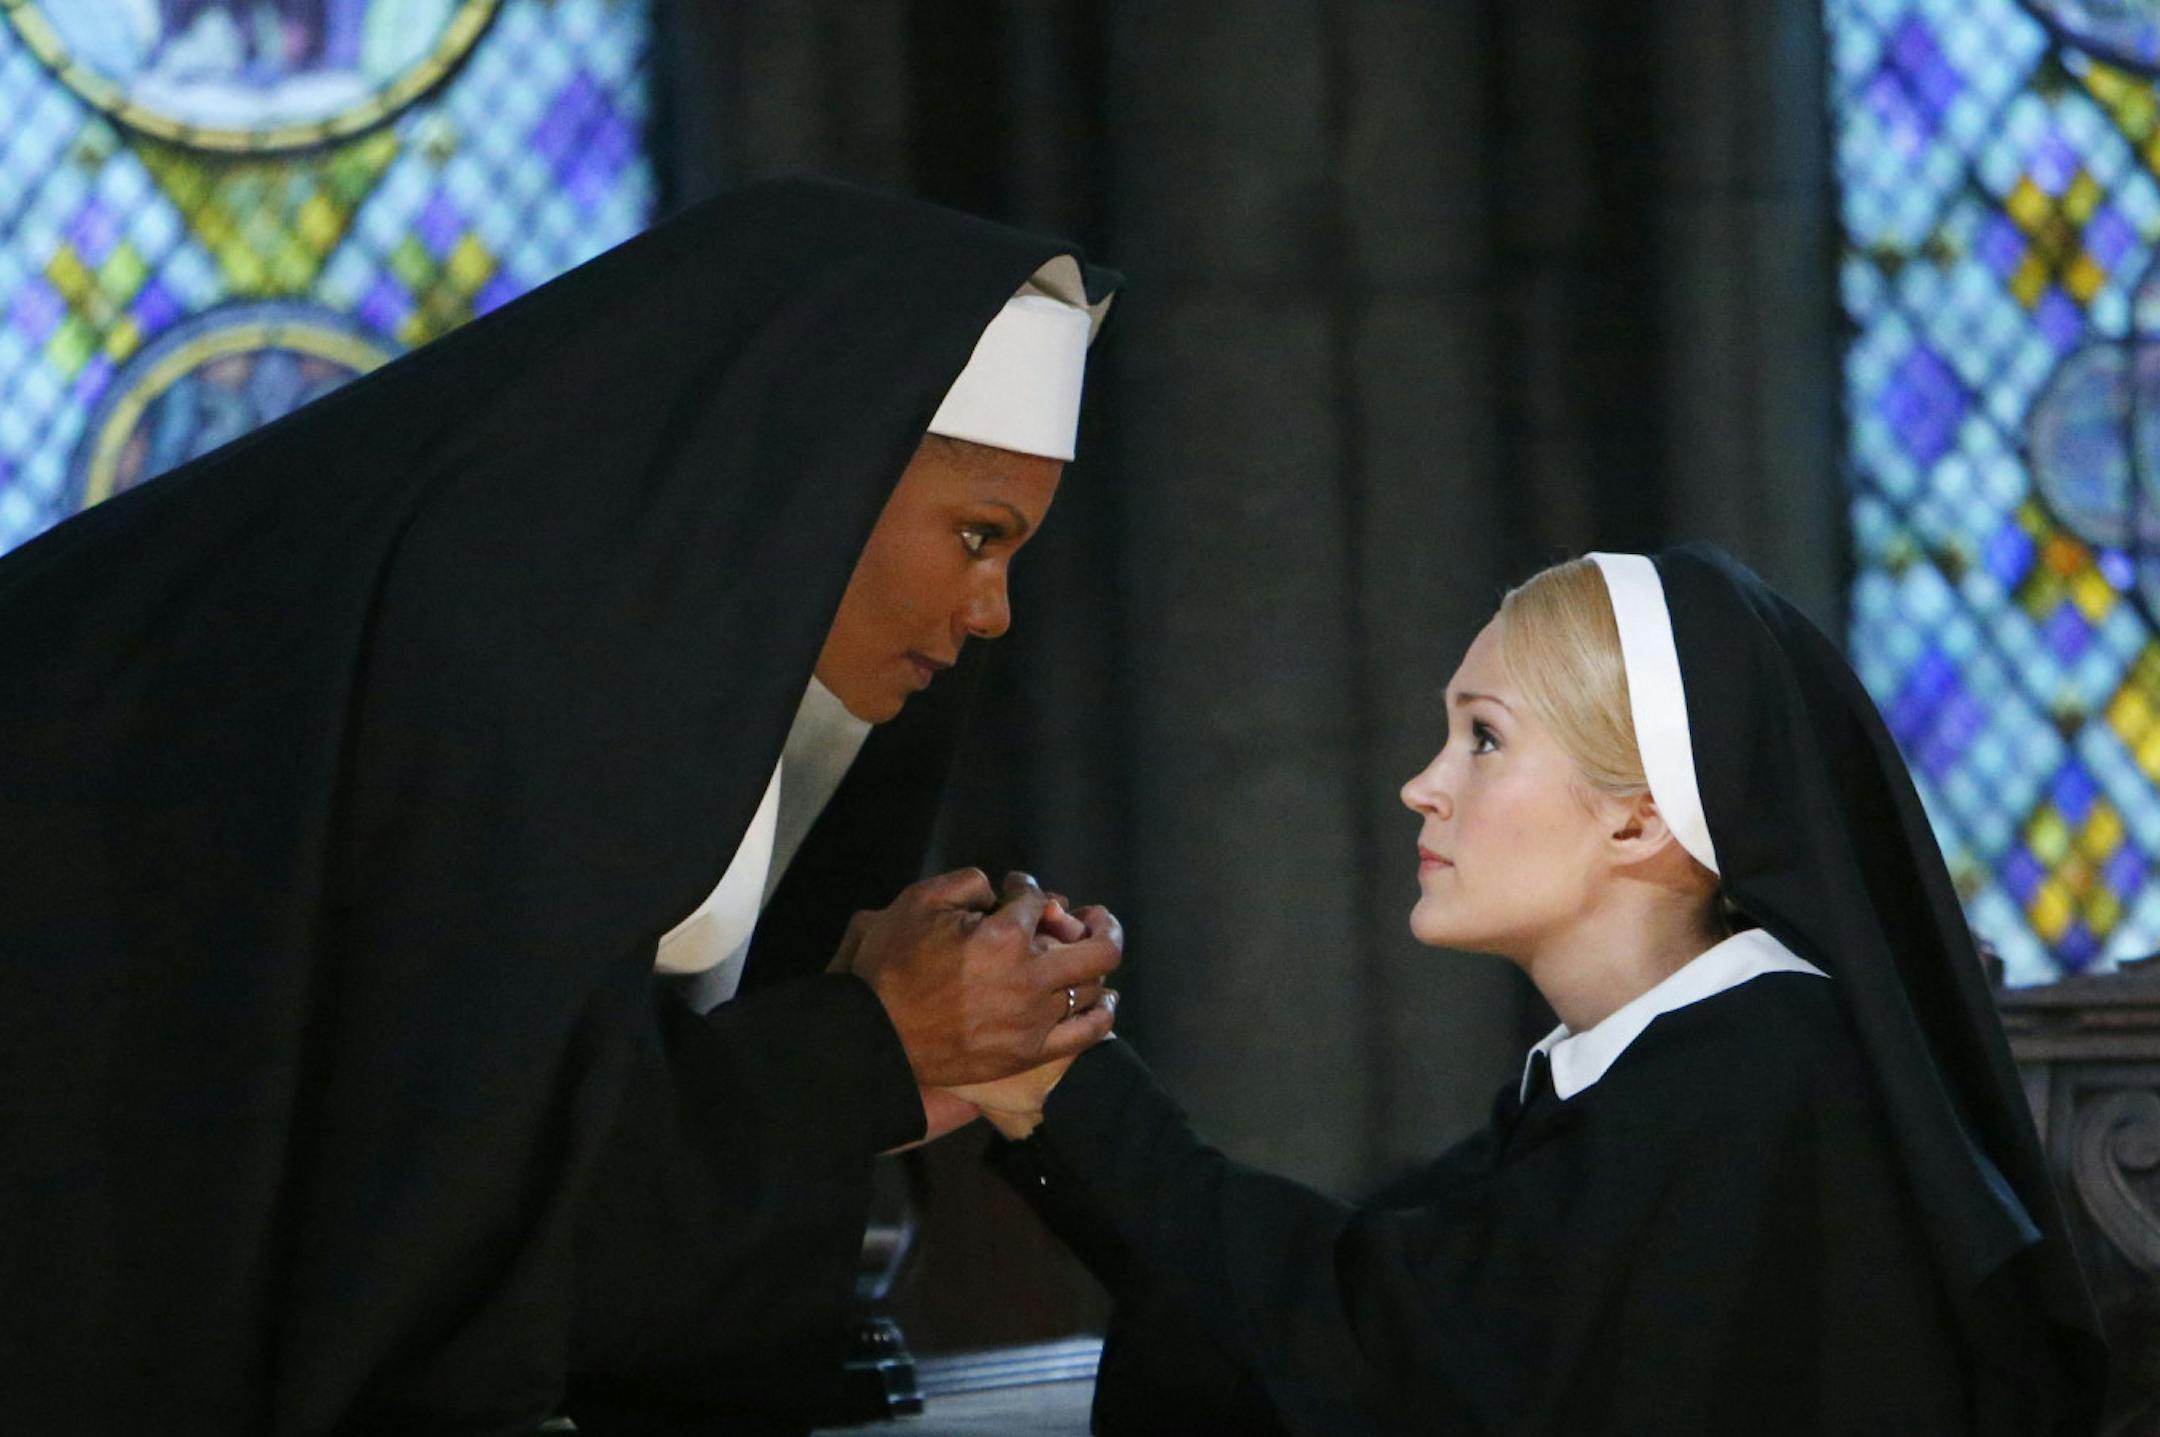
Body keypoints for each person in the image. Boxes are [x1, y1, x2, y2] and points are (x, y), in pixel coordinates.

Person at [0, 177, 1121, 1434]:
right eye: (976, 537)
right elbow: (435, 1211)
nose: (992, 614)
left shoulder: (631, 652)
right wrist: (865, 1049)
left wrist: (895, 1060)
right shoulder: (498, 654)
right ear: (820, 473)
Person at [966, 546, 2106, 1435]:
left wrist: (1076, 1092)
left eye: (1484, 739)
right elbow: (1345, 1313)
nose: (1421, 786)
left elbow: (1394, 1370)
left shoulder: (1755, 1079)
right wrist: (1053, 1086)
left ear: (1639, 818)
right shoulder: (1666, 1072)